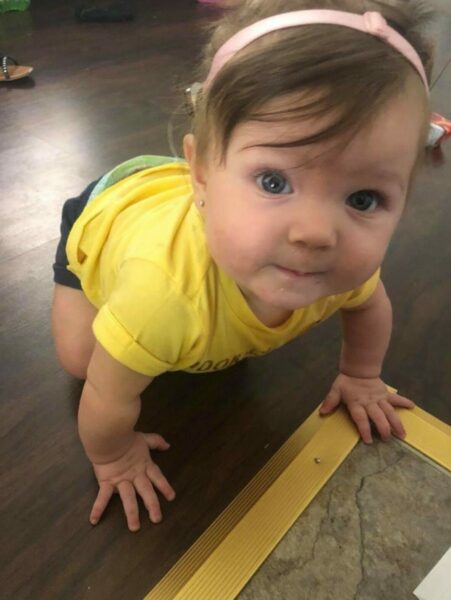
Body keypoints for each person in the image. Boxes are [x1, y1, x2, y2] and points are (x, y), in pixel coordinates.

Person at [52, 0, 437, 531]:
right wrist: (114, 456)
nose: (316, 234)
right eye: (275, 182)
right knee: (83, 359)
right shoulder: (161, 296)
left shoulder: (337, 267)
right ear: (202, 175)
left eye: (364, 199)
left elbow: (369, 305)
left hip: (193, 192)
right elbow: (106, 400)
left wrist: (362, 376)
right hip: (109, 211)